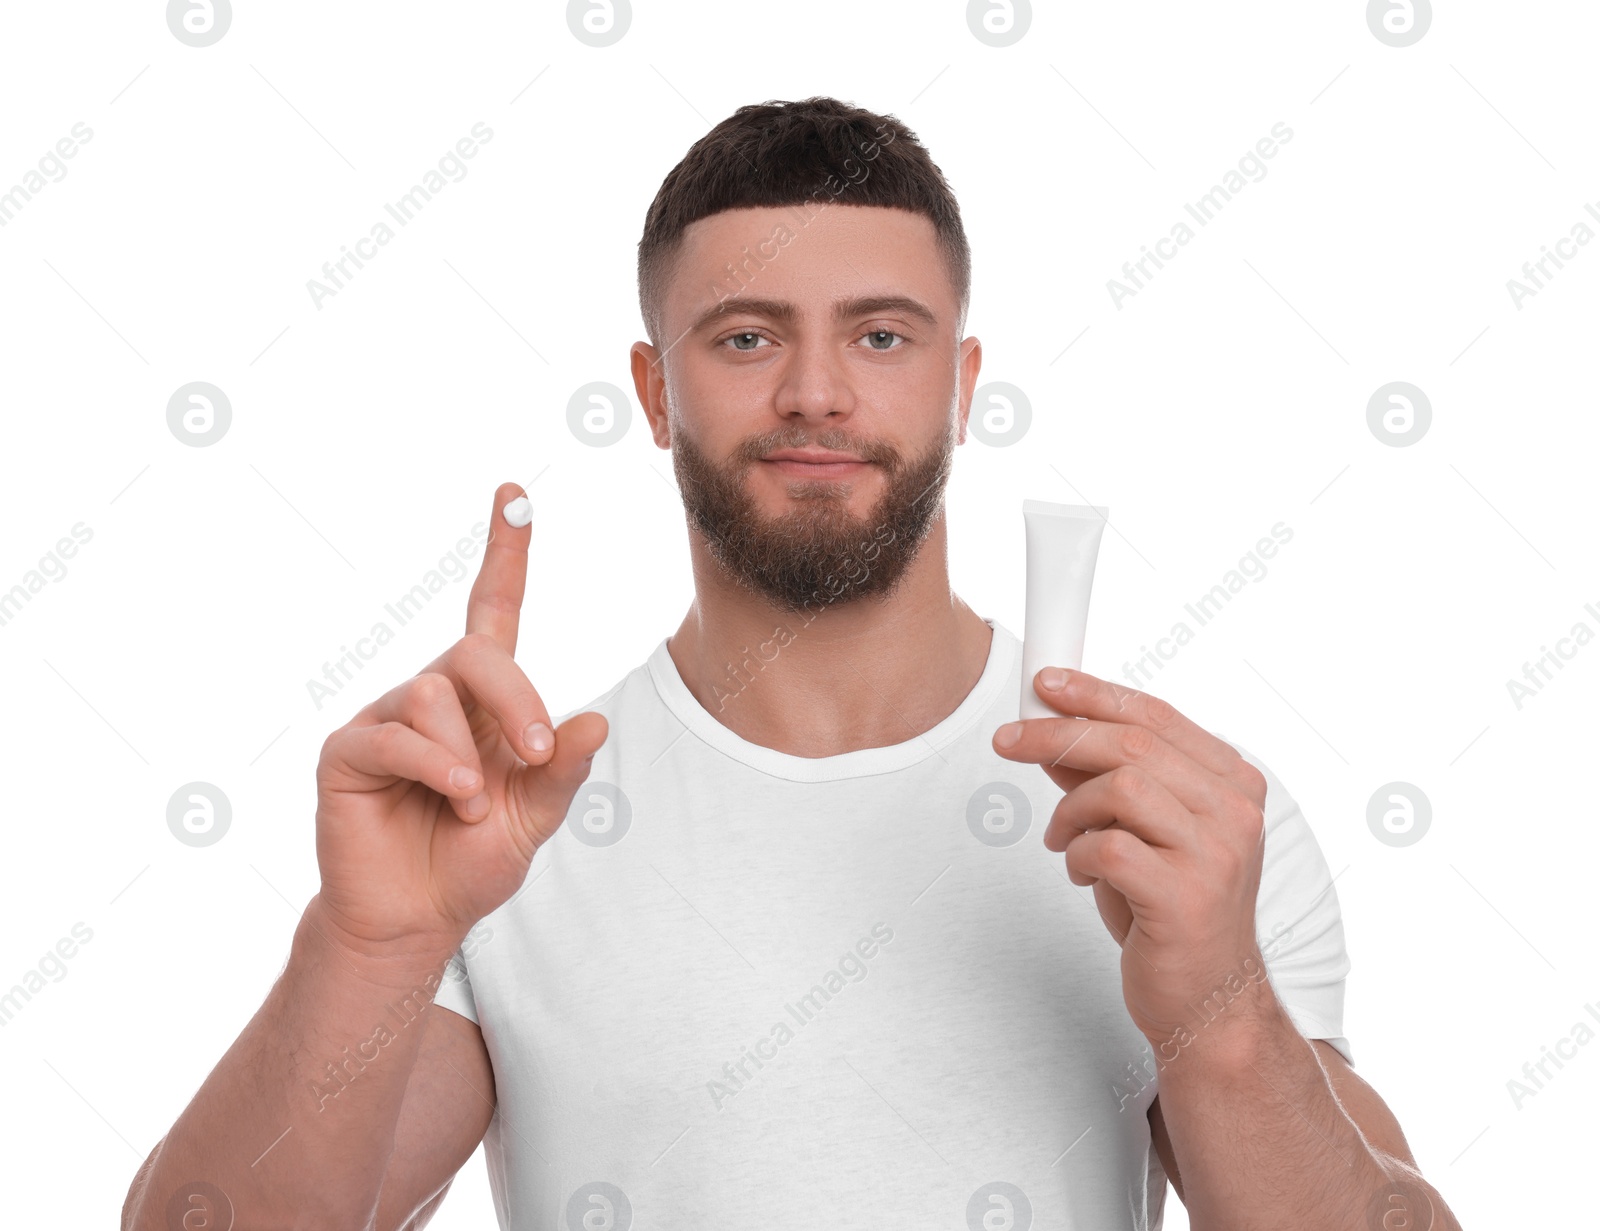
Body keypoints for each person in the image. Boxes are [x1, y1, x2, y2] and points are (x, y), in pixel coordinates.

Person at [124, 96, 1460, 1231]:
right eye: (748, 337)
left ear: (960, 382)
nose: (816, 391)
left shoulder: (1181, 821)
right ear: (655, 394)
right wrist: (369, 944)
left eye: (882, 336)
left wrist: (1218, 1017)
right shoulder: (502, 831)